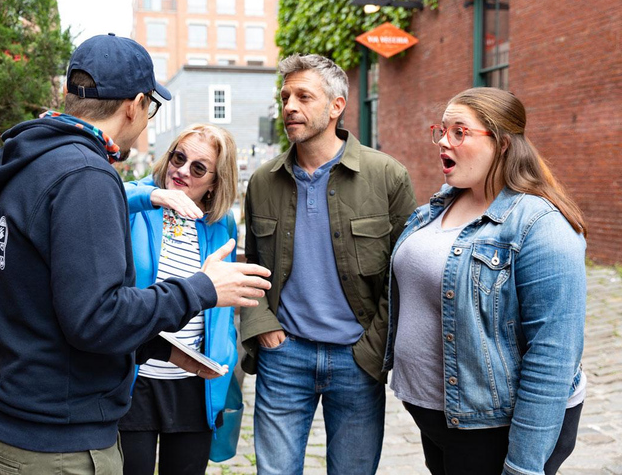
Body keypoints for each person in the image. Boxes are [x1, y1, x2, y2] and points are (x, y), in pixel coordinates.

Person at [0, 34, 271, 475]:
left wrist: (157, 349)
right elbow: (96, 318)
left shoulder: (33, 160)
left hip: (12, 425)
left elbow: (63, 303)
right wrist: (200, 290)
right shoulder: (85, 175)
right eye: (150, 110)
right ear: (135, 104)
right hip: (56, 446)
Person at [383, 87, 586, 475]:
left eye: (460, 132)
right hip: (442, 417)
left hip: (493, 426)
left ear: (503, 145)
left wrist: (524, 467)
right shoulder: (438, 206)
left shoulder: (542, 227)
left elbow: (553, 358)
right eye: (441, 130)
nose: (443, 141)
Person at [240, 54, 417, 475]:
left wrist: (373, 348)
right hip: (284, 356)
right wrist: (262, 325)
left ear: (336, 106)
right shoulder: (264, 181)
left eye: (303, 96)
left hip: (357, 358)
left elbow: (405, 276)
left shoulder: (387, 175)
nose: (289, 107)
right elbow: (250, 263)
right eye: (285, 96)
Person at [118, 123, 242, 475]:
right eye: (179, 157)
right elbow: (102, 196)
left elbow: (223, 304)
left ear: (215, 181)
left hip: (194, 384)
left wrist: (224, 357)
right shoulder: (141, 202)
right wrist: (153, 196)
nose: (182, 171)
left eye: (198, 168)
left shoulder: (221, 226)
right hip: (135, 378)